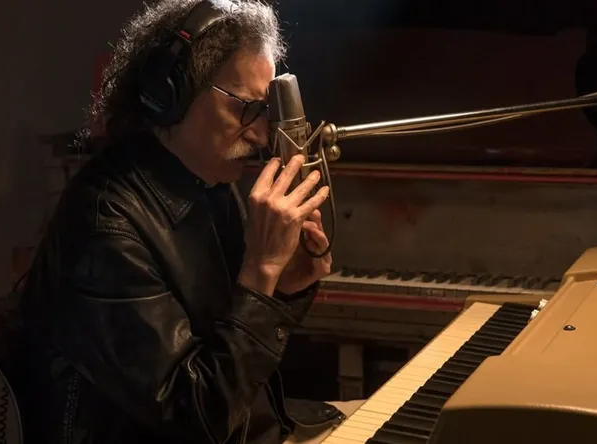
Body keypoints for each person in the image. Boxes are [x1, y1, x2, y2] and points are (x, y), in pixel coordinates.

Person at [18, 0, 362, 443]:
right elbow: (195, 417)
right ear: (170, 96)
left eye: (265, 112)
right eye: (246, 108)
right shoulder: (104, 226)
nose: (261, 135)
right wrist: (261, 273)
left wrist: (283, 289)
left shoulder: (207, 182)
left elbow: (226, 357)